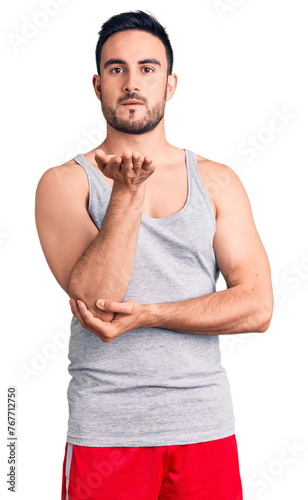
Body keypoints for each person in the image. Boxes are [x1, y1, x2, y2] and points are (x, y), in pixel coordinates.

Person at [35, 10, 273, 500]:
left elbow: (257, 306)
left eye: (148, 68)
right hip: (107, 433)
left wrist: (149, 314)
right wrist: (126, 194)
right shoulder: (64, 183)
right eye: (117, 69)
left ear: (171, 83)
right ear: (98, 85)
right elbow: (99, 299)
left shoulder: (217, 181)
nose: (132, 82)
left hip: (204, 427)